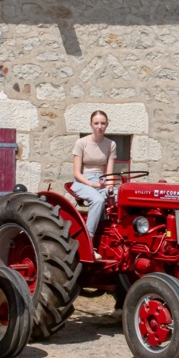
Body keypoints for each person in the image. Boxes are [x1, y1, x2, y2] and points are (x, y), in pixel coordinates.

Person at [71, 110, 115, 256]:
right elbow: (76, 172)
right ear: (91, 125)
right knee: (97, 200)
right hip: (83, 181)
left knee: (119, 196)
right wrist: (92, 185)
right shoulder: (81, 143)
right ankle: (88, 242)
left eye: (103, 123)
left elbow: (109, 174)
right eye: (96, 123)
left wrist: (109, 187)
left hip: (101, 181)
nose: (99, 126)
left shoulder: (111, 144)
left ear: (107, 125)